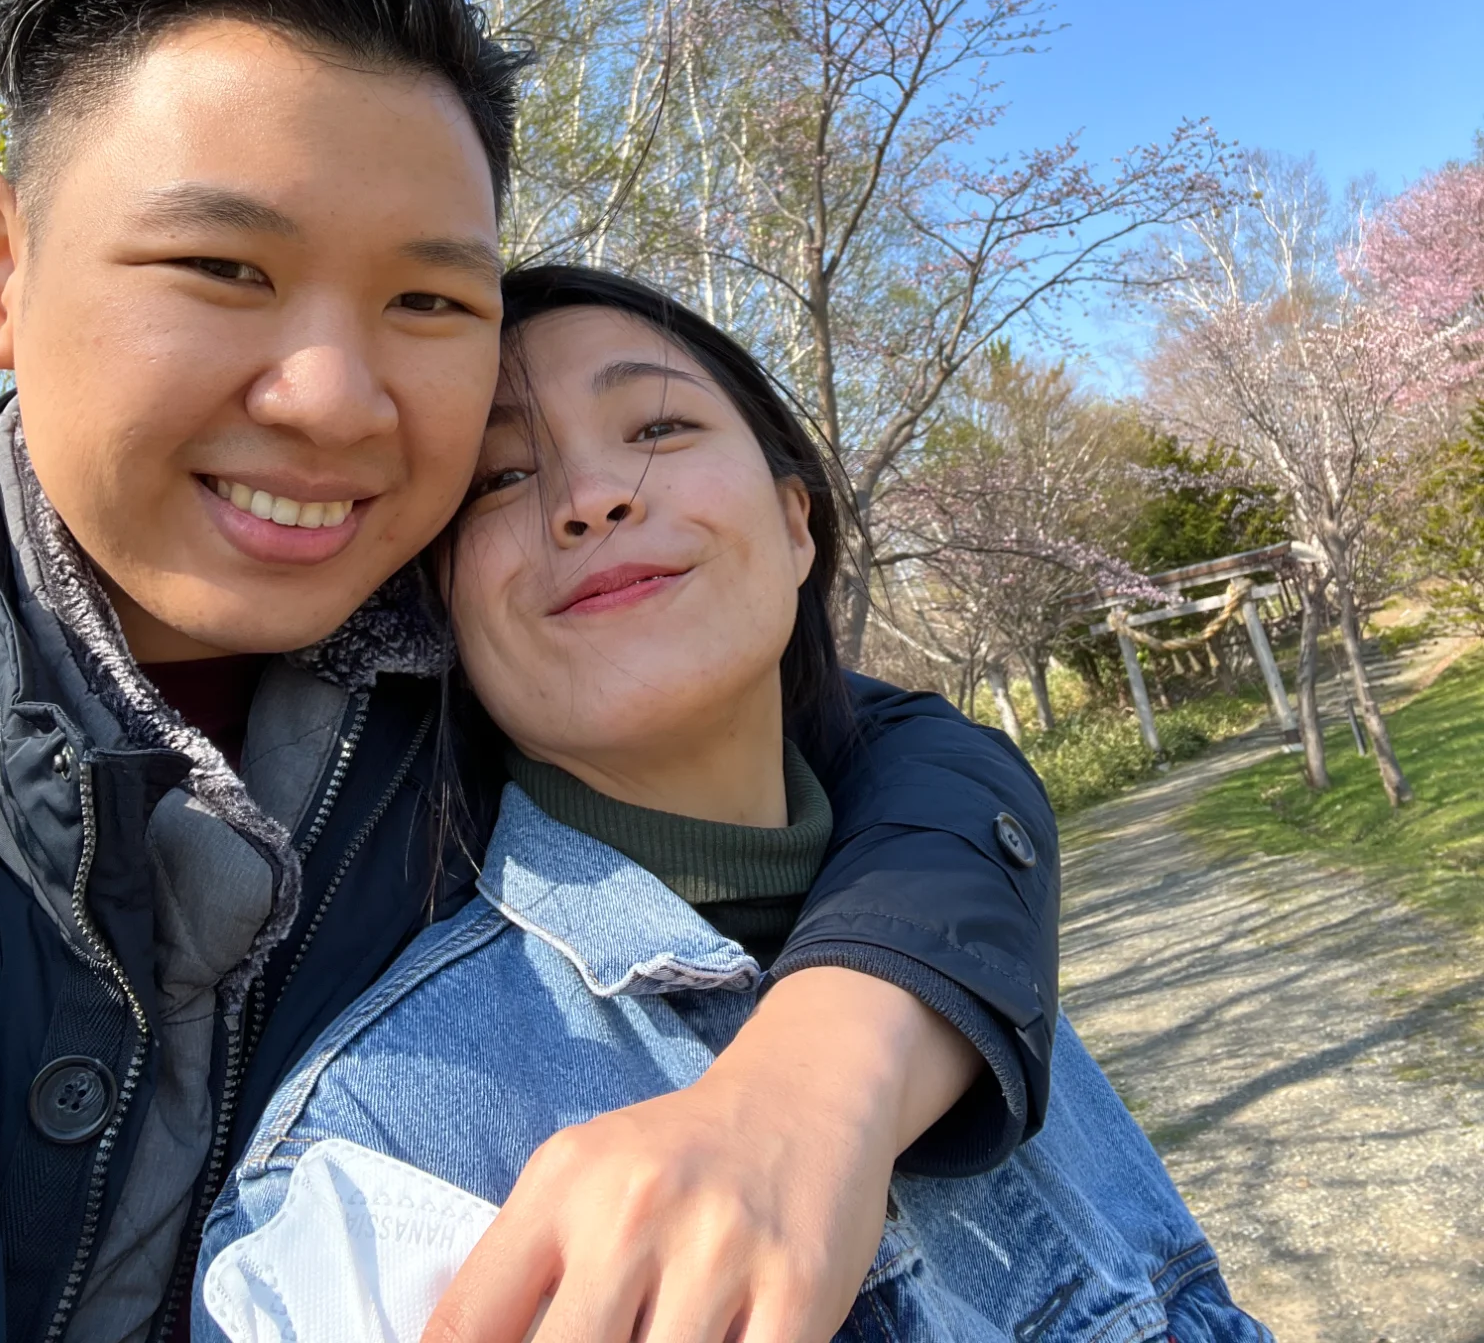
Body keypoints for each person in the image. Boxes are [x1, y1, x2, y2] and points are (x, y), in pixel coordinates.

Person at [0, 0, 1062, 1343]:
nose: (335, 399)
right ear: (0, 273)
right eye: (226, 269)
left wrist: (821, 1072)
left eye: (428, 297)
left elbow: (912, 755)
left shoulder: (447, 654)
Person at [196, 263, 1270, 1343]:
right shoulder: (373, 1151)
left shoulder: (965, 927)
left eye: (657, 423)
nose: (588, 497)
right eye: (499, 477)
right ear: (442, 611)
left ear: (797, 524)